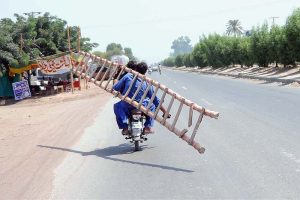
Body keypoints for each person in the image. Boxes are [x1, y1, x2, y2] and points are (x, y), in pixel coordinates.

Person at [113, 62, 168, 135]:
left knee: (117, 106)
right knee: (152, 106)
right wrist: (164, 111)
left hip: (127, 104)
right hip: (143, 105)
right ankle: (148, 127)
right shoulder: (148, 81)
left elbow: (116, 88)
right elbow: (154, 98)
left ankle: (125, 128)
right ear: (145, 71)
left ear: (135, 69)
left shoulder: (128, 76)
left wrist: (116, 80)